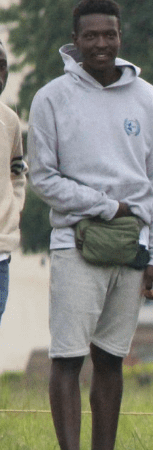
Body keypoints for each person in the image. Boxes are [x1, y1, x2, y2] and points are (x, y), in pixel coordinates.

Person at [27, 0, 153, 450]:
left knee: (111, 359)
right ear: (75, 40)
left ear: (120, 35)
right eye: (92, 36)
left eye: (110, 34)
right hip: (76, 244)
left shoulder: (149, 98)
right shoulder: (51, 98)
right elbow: (42, 177)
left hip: (132, 249)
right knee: (68, 358)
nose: (102, 44)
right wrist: (106, 206)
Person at [0, 39, 28, 326]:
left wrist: (13, 208)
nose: (0, 76)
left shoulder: (9, 121)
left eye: (3, 67)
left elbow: (17, 172)